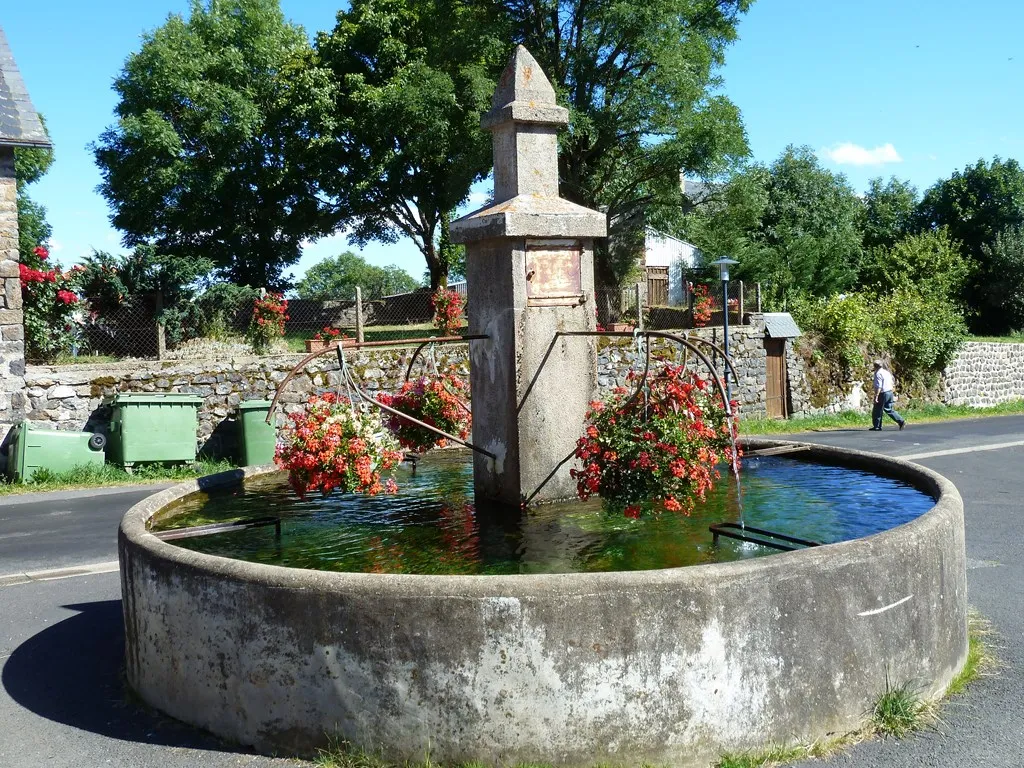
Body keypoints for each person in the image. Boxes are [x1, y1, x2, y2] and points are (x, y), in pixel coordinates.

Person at [871, 360, 905, 431]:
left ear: (875, 366)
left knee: (877, 410)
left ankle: (877, 426)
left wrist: (876, 396)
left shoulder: (878, 374)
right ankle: (900, 420)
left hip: (883, 393)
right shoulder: (886, 372)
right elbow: (892, 382)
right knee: (889, 409)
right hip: (889, 392)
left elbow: (879, 386)